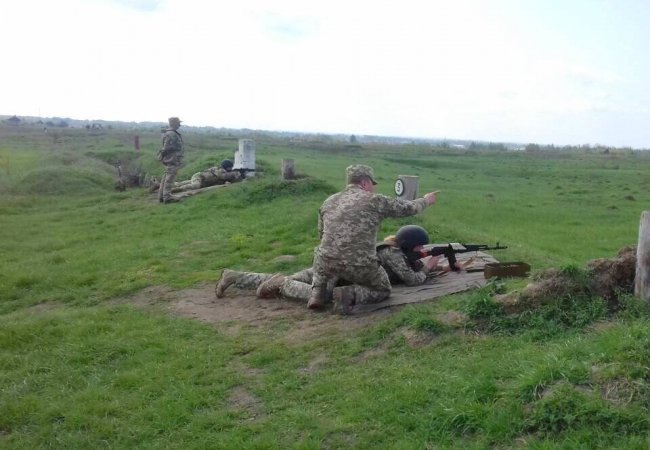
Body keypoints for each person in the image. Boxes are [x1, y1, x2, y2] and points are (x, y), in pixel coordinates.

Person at [309, 164, 438, 314]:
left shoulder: (329, 201)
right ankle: (349, 293)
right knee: (383, 289)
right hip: (360, 264)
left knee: (321, 253)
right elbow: (408, 208)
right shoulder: (374, 200)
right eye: (372, 184)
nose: (373, 188)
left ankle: (317, 292)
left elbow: (322, 235)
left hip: (326, 263)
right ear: (365, 182)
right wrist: (426, 200)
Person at [214, 225, 457, 304]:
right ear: (409, 245)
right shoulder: (393, 254)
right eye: (419, 247)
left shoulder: (393, 249)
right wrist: (430, 265)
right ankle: (282, 284)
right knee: (312, 292)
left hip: (330, 267)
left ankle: (235, 276)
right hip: (337, 277)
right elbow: (413, 280)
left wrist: (435, 266)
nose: (422, 250)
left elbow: (410, 268)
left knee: (298, 278)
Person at [172, 159, 242, 192]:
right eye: (230, 167)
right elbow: (222, 176)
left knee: (187, 183)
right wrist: (234, 173)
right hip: (199, 177)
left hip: (202, 181)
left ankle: (173, 185)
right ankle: (176, 189)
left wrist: (237, 176)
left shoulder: (224, 172)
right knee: (196, 186)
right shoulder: (219, 169)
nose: (230, 169)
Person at [157, 117, 184, 204]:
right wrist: (163, 155)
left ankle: (162, 196)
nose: (179, 124)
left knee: (166, 177)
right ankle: (167, 197)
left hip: (171, 158)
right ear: (174, 123)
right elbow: (166, 148)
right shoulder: (171, 134)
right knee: (169, 178)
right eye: (178, 123)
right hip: (172, 159)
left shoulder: (169, 133)